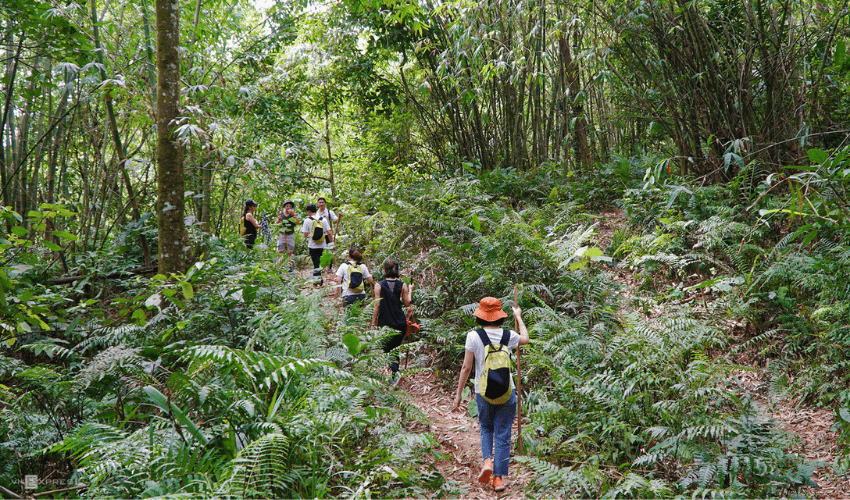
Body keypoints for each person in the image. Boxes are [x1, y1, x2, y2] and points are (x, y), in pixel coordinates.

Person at [452, 297, 530, 492]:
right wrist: (518, 317)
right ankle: (498, 479)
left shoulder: (473, 337)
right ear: (499, 316)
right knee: (503, 434)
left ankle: (487, 460)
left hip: (482, 392)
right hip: (507, 392)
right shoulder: (509, 336)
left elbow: (466, 367)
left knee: (486, 428)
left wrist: (459, 393)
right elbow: (526, 339)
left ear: (480, 316)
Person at [371, 259, 413, 383]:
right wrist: (410, 290)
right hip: (400, 322)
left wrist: (373, 323)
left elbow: (376, 305)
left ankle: (395, 374)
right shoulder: (403, 285)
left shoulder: (378, 285)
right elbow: (407, 303)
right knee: (394, 348)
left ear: (384, 270)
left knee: (388, 350)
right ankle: (395, 373)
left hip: (385, 323)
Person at [301, 204, 332, 277]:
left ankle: (317, 280)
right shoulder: (323, 219)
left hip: (312, 245)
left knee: (316, 263)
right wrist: (331, 243)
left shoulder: (307, 220)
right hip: (322, 245)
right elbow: (329, 232)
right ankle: (320, 279)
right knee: (321, 263)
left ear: (309, 211)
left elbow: (305, 234)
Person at [316, 197, 340, 271]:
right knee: (320, 250)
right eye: (320, 202)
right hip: (318, 235)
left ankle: (329, 267)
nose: (321, 204)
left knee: (329, 250)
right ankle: (321, 266)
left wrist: (339, 216)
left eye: (323, 202)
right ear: (317, 204)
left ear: (325, 204)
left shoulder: (329, 212)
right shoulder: (316, 213)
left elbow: (336, 220)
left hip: (327, 234)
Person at [276, 200, 300, 264]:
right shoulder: (281, 215)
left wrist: (294, 214)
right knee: (280, 251)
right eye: (287, 206)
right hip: (282, 235)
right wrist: (278, 220)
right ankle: (278, 266)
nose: (288, 207)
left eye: (290, 206)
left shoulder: (293, 215)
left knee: (290, 251)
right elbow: (276, 224)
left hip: (290, 234)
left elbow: (298, 222)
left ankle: (290, 266)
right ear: (284, 207)